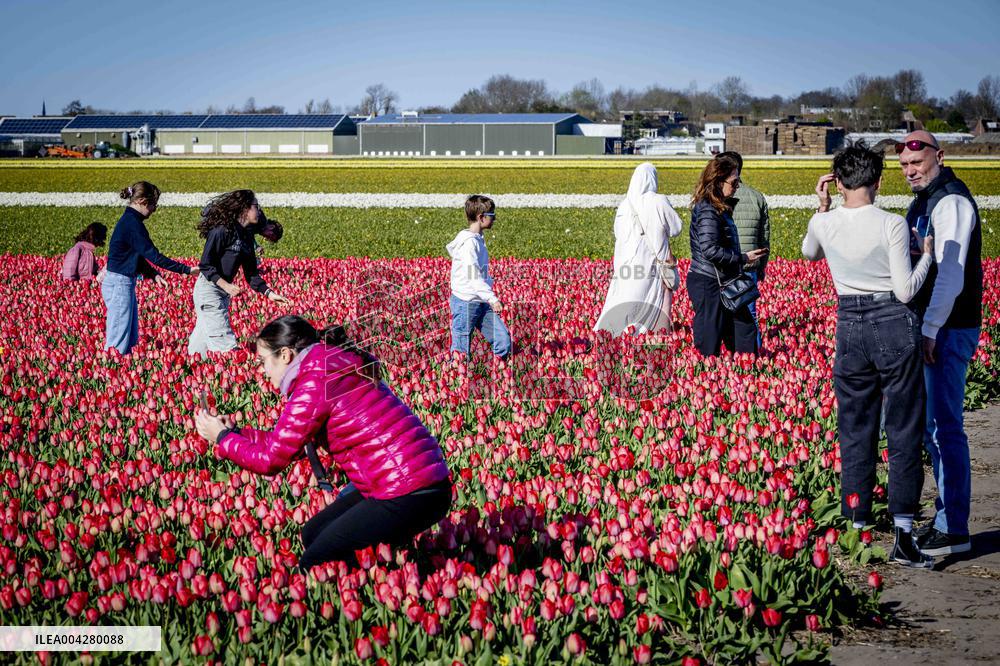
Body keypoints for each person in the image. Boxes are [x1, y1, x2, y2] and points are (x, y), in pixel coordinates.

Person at [194, 315, 452, 571]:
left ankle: (384, 588)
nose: (263, 371)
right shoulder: (327, 364)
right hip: (414, 482)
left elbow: (271, 461)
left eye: (264, 361)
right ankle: (386, 573)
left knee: (316, 563)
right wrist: (236, 433)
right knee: (313, 533)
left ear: (285, 355)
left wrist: (222, 438)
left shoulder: (315, 381)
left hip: (408, 491)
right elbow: (285, 443)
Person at [806, 141, 935, 567]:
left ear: (838, 181)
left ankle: (858, 528)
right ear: (878, 181)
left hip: (849, 327)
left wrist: (823, 207)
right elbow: (904, 289)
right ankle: (902, 534)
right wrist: (929, 258)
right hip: (892, 322)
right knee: (903, 428)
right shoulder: (892, 223)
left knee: (855, 427)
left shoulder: (823, 224)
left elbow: (809, 253)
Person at [897, 131, 984, 557]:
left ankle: (954, 529)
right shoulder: (925, 200)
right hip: (936, 325)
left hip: (949, 327)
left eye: (918, 162)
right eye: (905, 166)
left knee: (945, 428)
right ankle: (948, 516)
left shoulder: (950, 201)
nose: (911, 171)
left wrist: (930, 328)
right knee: (934, 429)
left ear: (940, 156)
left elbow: (951, 274)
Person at [188, 190, 290, 357]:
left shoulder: (247, 236)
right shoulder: (222, 231)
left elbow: (251, 274)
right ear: (244, 209)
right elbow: (205, 266)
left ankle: (189, 367)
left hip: (222, 293)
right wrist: (226, 285)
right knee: (225, 343)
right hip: (209, 290)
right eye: (256, 207)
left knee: (200, 345)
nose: (259, 211)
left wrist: (270, 294)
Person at [102, 182, 199, 355]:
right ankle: (111, 373)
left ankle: (121, 372)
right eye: (153, 204)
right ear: (142, 201)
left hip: (122, 281)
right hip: (119, 283)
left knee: (129, 336)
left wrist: (152, 274)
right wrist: (185, 269)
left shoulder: (131, 221)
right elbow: (154, 255)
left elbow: (135, 254)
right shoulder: (132, 224)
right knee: (118, 339)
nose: (154, 209)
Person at [688, 154, 768, 357]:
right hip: (710, 282)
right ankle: (711, 377)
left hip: (725, 279)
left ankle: (746, 373)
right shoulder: (708, 209)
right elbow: (709, 249)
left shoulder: (719, 206)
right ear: (718, 181)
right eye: (734, 182)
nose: (737, 186)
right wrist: (743, 258)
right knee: (710, 340)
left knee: (745, 331)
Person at [594, 163, 683, 336]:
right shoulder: (658, 201)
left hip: (625, 267)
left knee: (621, 303)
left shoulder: (624, 205)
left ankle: (610, 341)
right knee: (651, 306)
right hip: (651, 267)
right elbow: (677, 228)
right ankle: (647, 344)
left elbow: (618, 234)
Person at [446, 195, 511, 358]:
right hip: (465, 303)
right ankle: (458, 379)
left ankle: (497, 376)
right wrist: (492, 298)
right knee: (460, 352)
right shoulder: (469, 244)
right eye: (492, 216)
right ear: (481, 217)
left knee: (503, 341)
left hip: (480, 302)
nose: (495, 219)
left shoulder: (478, 239)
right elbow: (473, 276)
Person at [718, 151, 770, 345]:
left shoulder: (715, 198)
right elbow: (764, 237)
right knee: (750, 314)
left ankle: (731, 359)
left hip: (725, 266)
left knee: (723, 315)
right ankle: (752, 357)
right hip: (750, 266)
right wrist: (761, 266)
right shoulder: (757, 197)